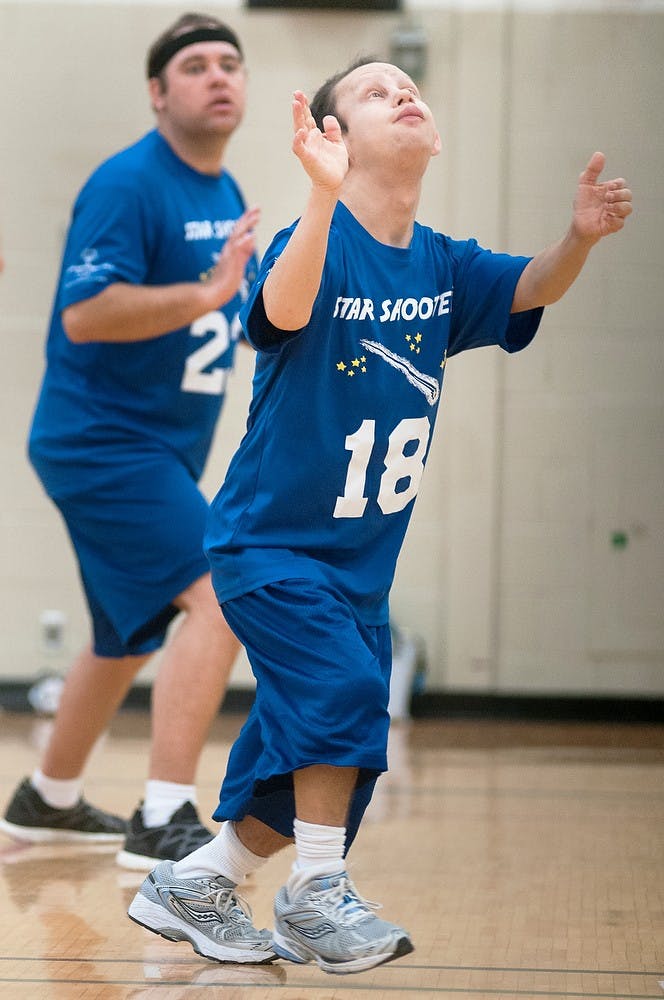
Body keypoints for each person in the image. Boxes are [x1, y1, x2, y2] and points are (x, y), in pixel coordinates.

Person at [127, 60, 633, 972]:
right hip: (269, 546)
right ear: (333, 140)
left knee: (309, 760)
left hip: (360, 567)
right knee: (348, 703)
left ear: (430, 138)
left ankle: (196, 882)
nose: (402, 93)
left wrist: (577, 240)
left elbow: (530, 289)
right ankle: (317, 894)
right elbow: (279, 307)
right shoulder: (311, 240)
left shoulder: (441, 261)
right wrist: (319, 201)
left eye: (410, 87)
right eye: (372, 91)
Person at [0, 12, 259, 871]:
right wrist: (206, 290)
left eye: (231, 63)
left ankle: (50, 797)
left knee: (127, 633)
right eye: (195, 66)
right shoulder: (128, 184)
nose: (218, 76)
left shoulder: (221, 191)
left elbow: (220, 316)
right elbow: (87, 310)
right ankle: (164, 814)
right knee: (221, 592)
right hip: (101, 441)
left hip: (160, 448)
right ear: (158, 94)